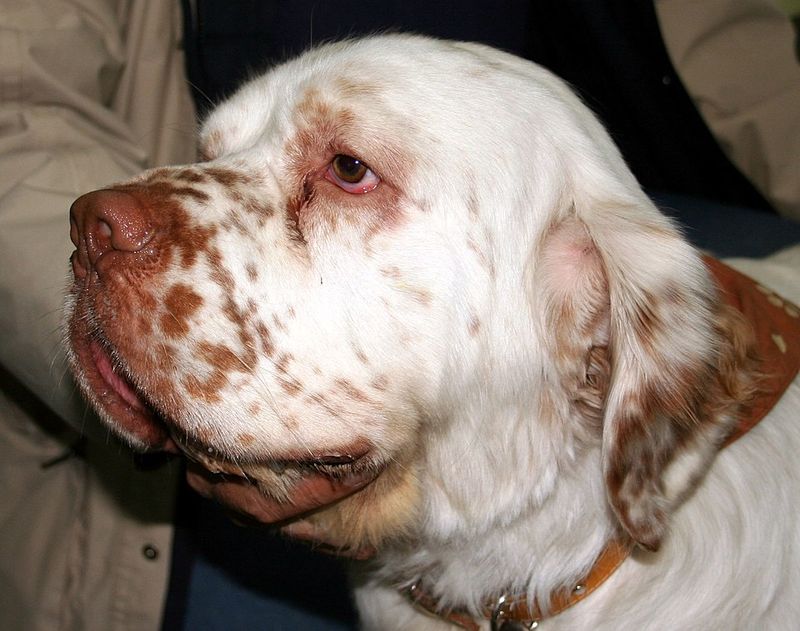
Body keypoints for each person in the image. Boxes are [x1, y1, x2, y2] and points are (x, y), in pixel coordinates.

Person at [1, 1, 798, 629]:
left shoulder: (621, 293)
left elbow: (747, 69)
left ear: (605, 329)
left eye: (349, 169)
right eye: (221, 159)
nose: (117, 222)